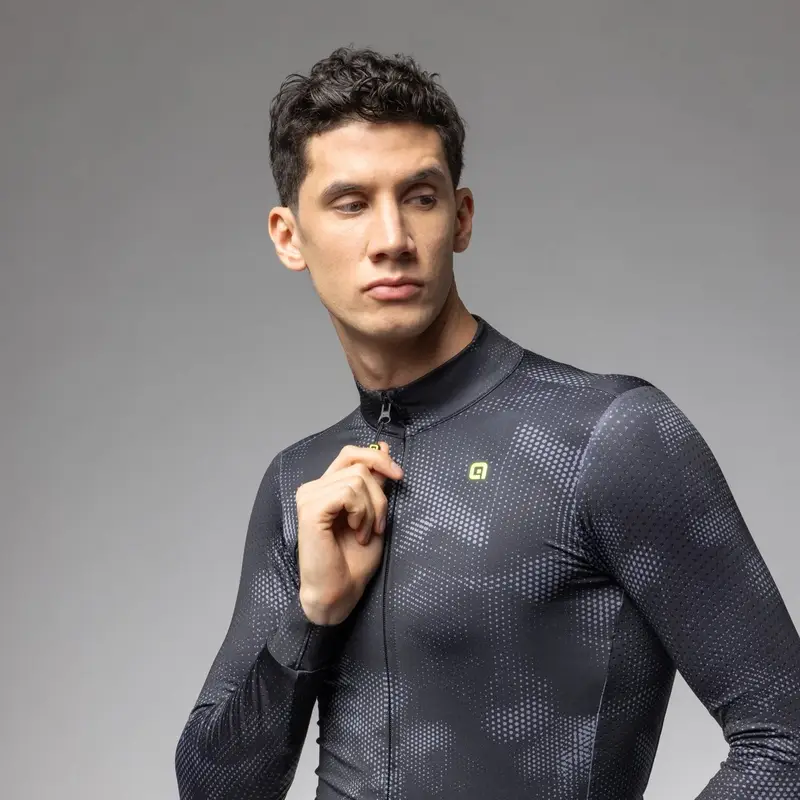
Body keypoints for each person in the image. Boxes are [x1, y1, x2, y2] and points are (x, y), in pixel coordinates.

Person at [174, 46, 800, 799]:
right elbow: (214, 790)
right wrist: (312, 617)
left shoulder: (605, 438)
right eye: (350, 203)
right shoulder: (301, 486)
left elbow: (786, 742)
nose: (391, 238)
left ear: (461, 218)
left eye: (420, 197)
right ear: (288, 236)